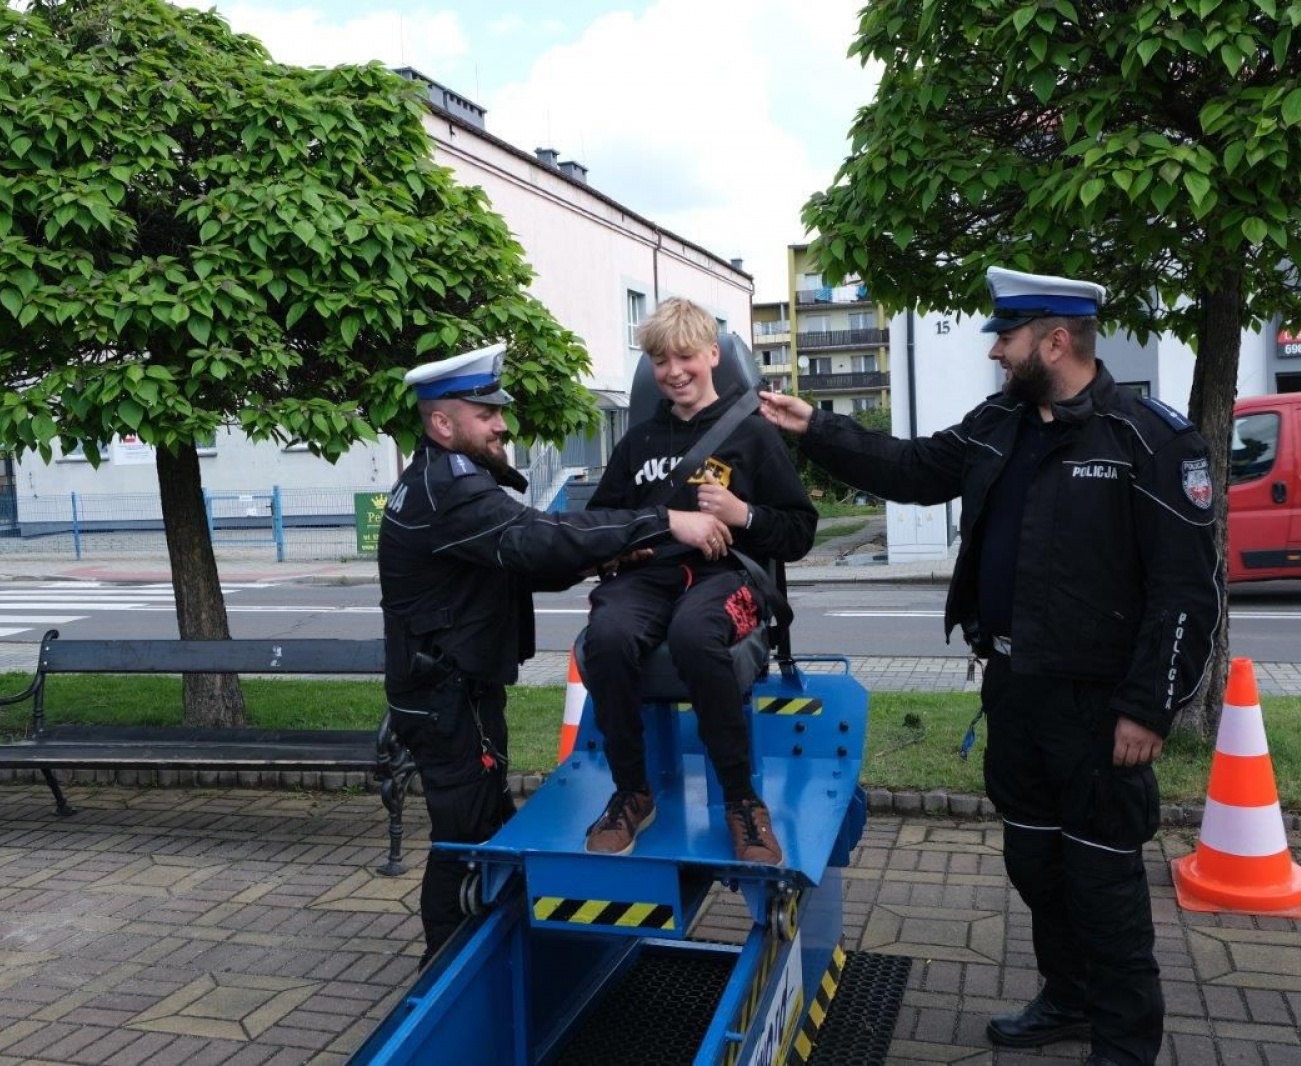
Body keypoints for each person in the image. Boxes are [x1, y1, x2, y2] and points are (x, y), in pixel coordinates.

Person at [759, 267, 1221, 1066]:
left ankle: (1124, 1040)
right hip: (1016, 689)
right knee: (1036, 862)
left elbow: (1187, 591)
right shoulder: (1000, 421)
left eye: (1006, 338)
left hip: (1101, 705)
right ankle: (1067, 997)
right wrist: (817, 429)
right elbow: (914, 468)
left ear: (1055, 339)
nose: (997, 353)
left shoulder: (1150, 438)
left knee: (1104, 883)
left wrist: (1150, 708)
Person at [378, 341, 731, 964]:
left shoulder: (445, 482)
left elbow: (518, 562)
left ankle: (483, 955)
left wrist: (606, 554)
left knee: (484, 822)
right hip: (444, 699)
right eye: (485, 414)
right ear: (441, 422)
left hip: (454, 691)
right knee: (463, 839)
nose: (501, 423)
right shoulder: (449, 488)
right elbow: (535, 539)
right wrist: (662, 523)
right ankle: (445, 972)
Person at [579, 298, 817, 864]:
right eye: (659, 361)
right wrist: (646, 533)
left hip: (727, 577)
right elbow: (598, 523)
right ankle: (633, 791)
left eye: (685, 355)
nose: (673, 371)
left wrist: (744, 516)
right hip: (649, 576)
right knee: (606, 637)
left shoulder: (754, 435)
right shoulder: (637, 442)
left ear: (713, 354)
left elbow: (800, 531)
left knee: (694, 635)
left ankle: (740, 799)